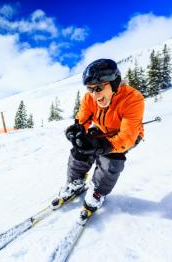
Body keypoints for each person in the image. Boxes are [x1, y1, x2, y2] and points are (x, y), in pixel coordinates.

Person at [52, 58, 145, 217]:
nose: (95, 95)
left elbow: (127, 137)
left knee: (112, 156)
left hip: (128, 134)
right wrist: (75, 131)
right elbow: (82, 120)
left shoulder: (133, 98)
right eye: (90, 89)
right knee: (81, 145)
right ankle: (76, 181)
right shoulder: (89, 99)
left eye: (99, 88)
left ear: (114, 83)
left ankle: (98, 191)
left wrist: (102, 146)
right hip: (102, 130)